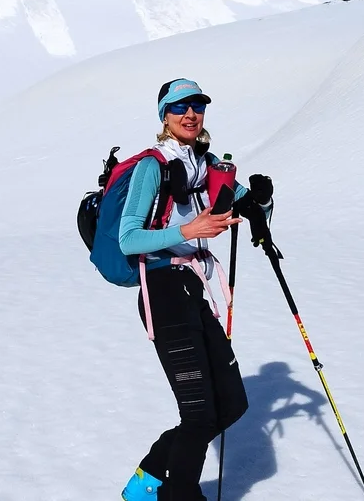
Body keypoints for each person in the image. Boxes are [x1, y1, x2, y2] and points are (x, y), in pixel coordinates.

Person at [119, 78, 274, 501]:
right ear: (164, 116)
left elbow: (249, 208)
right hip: (163, 290)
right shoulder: (153, 165)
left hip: (192, 288)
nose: (190, 114)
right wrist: (190, 228)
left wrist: (260, 200)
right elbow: (128, 239)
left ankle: (146, 481)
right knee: (200, 415)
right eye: (179, 107)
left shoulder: (205, 164)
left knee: (232, 404)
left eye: (197, 105)